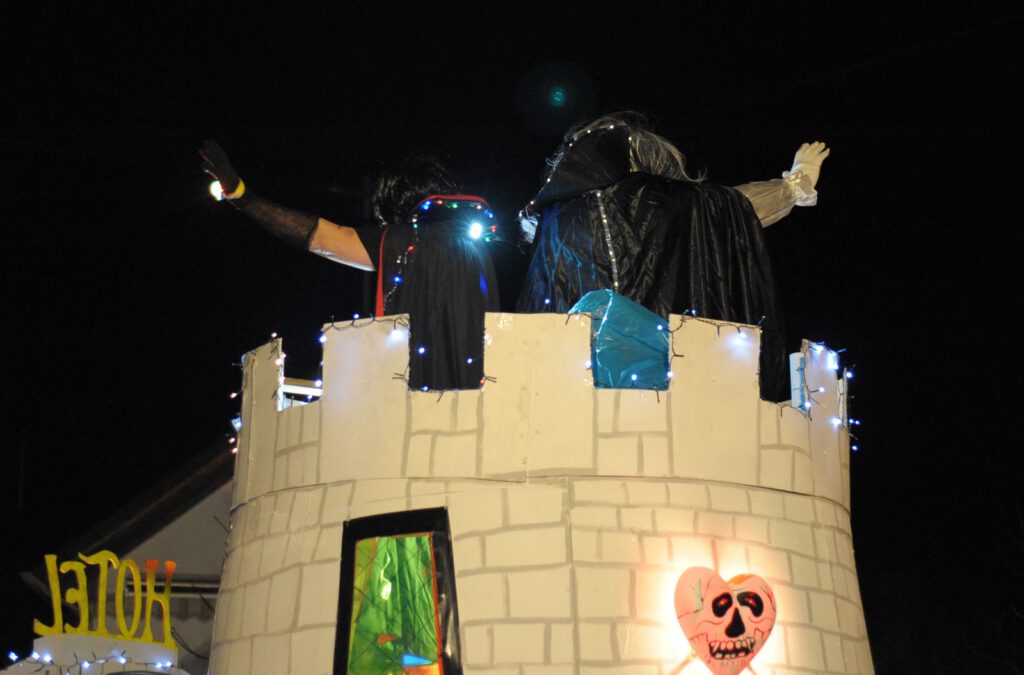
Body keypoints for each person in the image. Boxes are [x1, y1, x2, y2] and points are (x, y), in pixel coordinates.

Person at [515, 112, 829, 400]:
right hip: (671, 377)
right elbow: (734, 208)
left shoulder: (554, 218)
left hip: (574, 385)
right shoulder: (666, 201)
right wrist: (795, 184)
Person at [199, 141, 500, 391]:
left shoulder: (401, 240)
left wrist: (242, 196)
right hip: (483, 393)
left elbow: (321, 237)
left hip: (411, 397)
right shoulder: (478, 247)